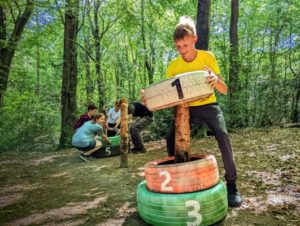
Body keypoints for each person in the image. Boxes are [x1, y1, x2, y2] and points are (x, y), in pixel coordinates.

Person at [165, 16, 242, 207]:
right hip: (185, 108)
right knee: (170, 137)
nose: (182, 50)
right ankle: (177, 177)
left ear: (194, 39)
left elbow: (224, 89)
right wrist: (148, 98)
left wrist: (215, 80)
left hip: (208, 105)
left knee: (223, 136)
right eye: (178, 47)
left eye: (185, 45)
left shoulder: (208, 57)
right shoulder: (174, 66)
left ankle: (232, 184)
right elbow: (167, 95)